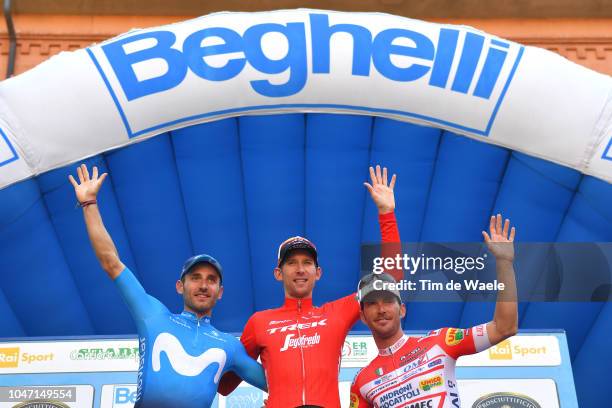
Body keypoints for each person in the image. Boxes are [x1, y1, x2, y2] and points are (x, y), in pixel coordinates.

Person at [68, 164, 267, 408]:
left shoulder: (230, 346)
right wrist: (89, 204)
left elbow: (279, 383)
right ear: (179, 286)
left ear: (220, 292)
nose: (203, 285)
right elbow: (112, 263)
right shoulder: (152, 315)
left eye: (211, 280)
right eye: (195, 277)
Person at [218, 165, 404, 407]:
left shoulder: (336, 313)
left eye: (307, 263)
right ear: (278, 273)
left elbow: (391, 277)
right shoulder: (259, 322)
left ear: (318, 273)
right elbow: (225, 386)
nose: (300, 269)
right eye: (292, 262)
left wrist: (386, 213)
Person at [350, 214, 519, 408]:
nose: (381, 309)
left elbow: (504, 327)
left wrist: (504, 263)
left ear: (402, 309)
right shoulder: (361, 382)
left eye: (388, 301)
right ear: (362, 316)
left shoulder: (440, 342)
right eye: (372, 303)